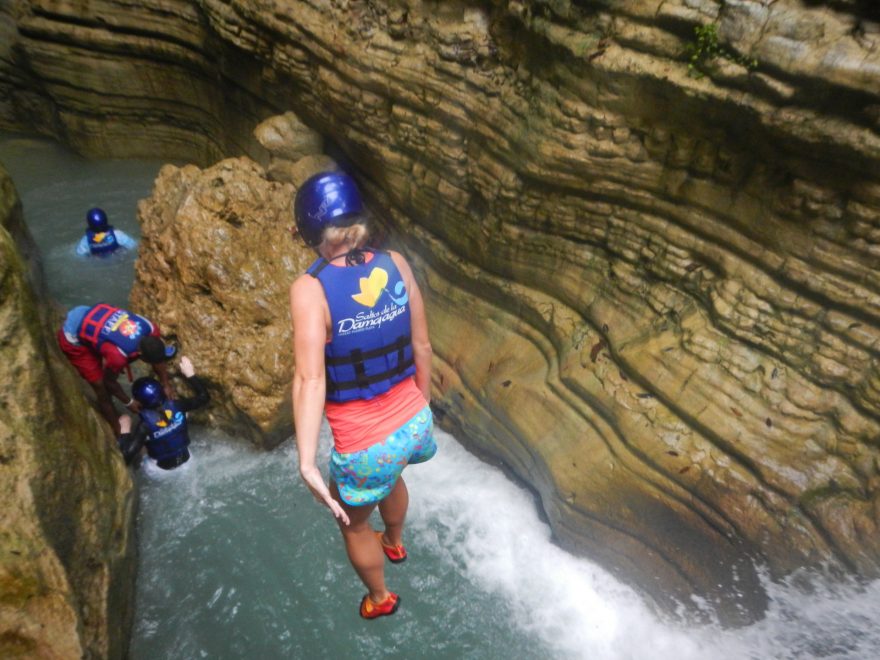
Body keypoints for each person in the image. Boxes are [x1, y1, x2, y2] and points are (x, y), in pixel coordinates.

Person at [289, 171, 436, 620]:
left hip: (366, 445)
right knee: (391, 477)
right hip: (414, 423)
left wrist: (307, 461)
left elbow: (310, 380)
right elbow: (423, 347)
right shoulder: (396, 262)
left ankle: (380, 598)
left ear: (309, 231)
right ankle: (394, 541)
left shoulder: (309, 289)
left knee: (352, 523)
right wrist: (423, 406)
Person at [57, 303, 176, 434]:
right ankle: (117, 431)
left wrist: (165, 384)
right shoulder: (118, 355)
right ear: (140, 355)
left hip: (91, 316)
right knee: (100, 387)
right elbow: (109, 382)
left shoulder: (151, 328)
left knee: (108, 363)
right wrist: (128, 402)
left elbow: (158, 358)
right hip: (74, 336)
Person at [116, 356, 210, 470]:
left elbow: (126, 457)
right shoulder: (177, 405)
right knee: (178, 418)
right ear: (162, 391)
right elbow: (204, 397)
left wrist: (125, 429)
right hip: (188, 461)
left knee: (142, 446)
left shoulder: (144, 425)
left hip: (160, 471)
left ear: (138, 402)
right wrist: (190, 373)